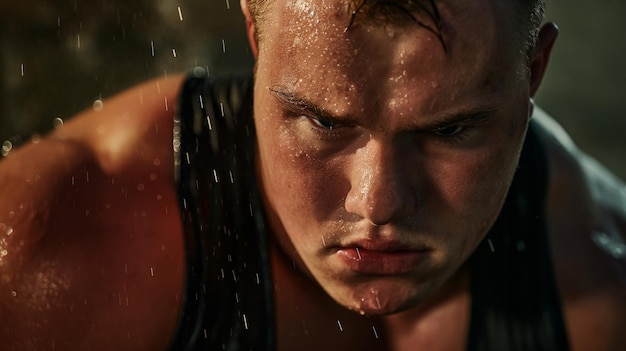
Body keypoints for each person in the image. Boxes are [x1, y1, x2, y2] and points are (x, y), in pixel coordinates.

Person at [0, 0, 624, 350]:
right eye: (324, 123)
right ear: (254, 34)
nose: (377, 202)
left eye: (450, 131)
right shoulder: (56, 255)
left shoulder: (601, 274)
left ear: (534, 73)